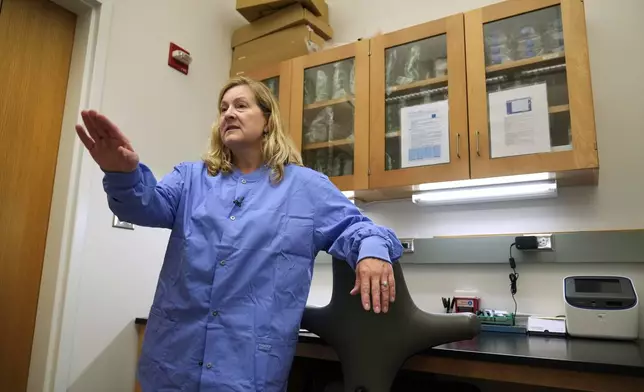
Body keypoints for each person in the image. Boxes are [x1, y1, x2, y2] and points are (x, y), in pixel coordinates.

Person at [75, 76, 403, 391]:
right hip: (173, 364)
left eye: (241, 105)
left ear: (268, 120)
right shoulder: (190, 178)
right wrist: (121, 174)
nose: (229, 113)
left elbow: (358, 228)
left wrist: (372, 251)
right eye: (223, 108)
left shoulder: (307, 188)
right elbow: (143, 206)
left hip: (247, 371)